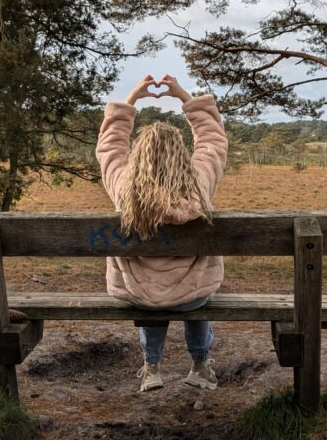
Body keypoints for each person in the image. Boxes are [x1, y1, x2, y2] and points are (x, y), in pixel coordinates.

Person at [95, 74, 228, 393]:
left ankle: (151, 368)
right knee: (195, 294)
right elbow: (213, 141)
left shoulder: (125, 188)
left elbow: (110, 148)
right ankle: (199, 365)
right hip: (192, 297)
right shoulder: (199, 185)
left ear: (138, 157)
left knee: (150, 294)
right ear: (182, 157)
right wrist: (184, 95)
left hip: (140, 295)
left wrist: (131, 100)